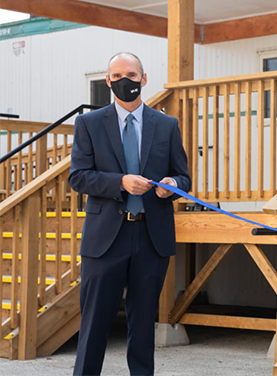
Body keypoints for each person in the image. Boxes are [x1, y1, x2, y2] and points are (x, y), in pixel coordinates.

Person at [69, 52, 191, 376]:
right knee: (94, 323)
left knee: (143, 328)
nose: (126, 81)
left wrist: (171, 185)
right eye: (118, 75)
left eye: (132, 75)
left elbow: (184, 177)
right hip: (105, 239)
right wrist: (119, 182)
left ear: (144, 78)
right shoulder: (89, 124)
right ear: (108, 81)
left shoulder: (166, 125)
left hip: (152, 239)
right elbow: (78, 177)